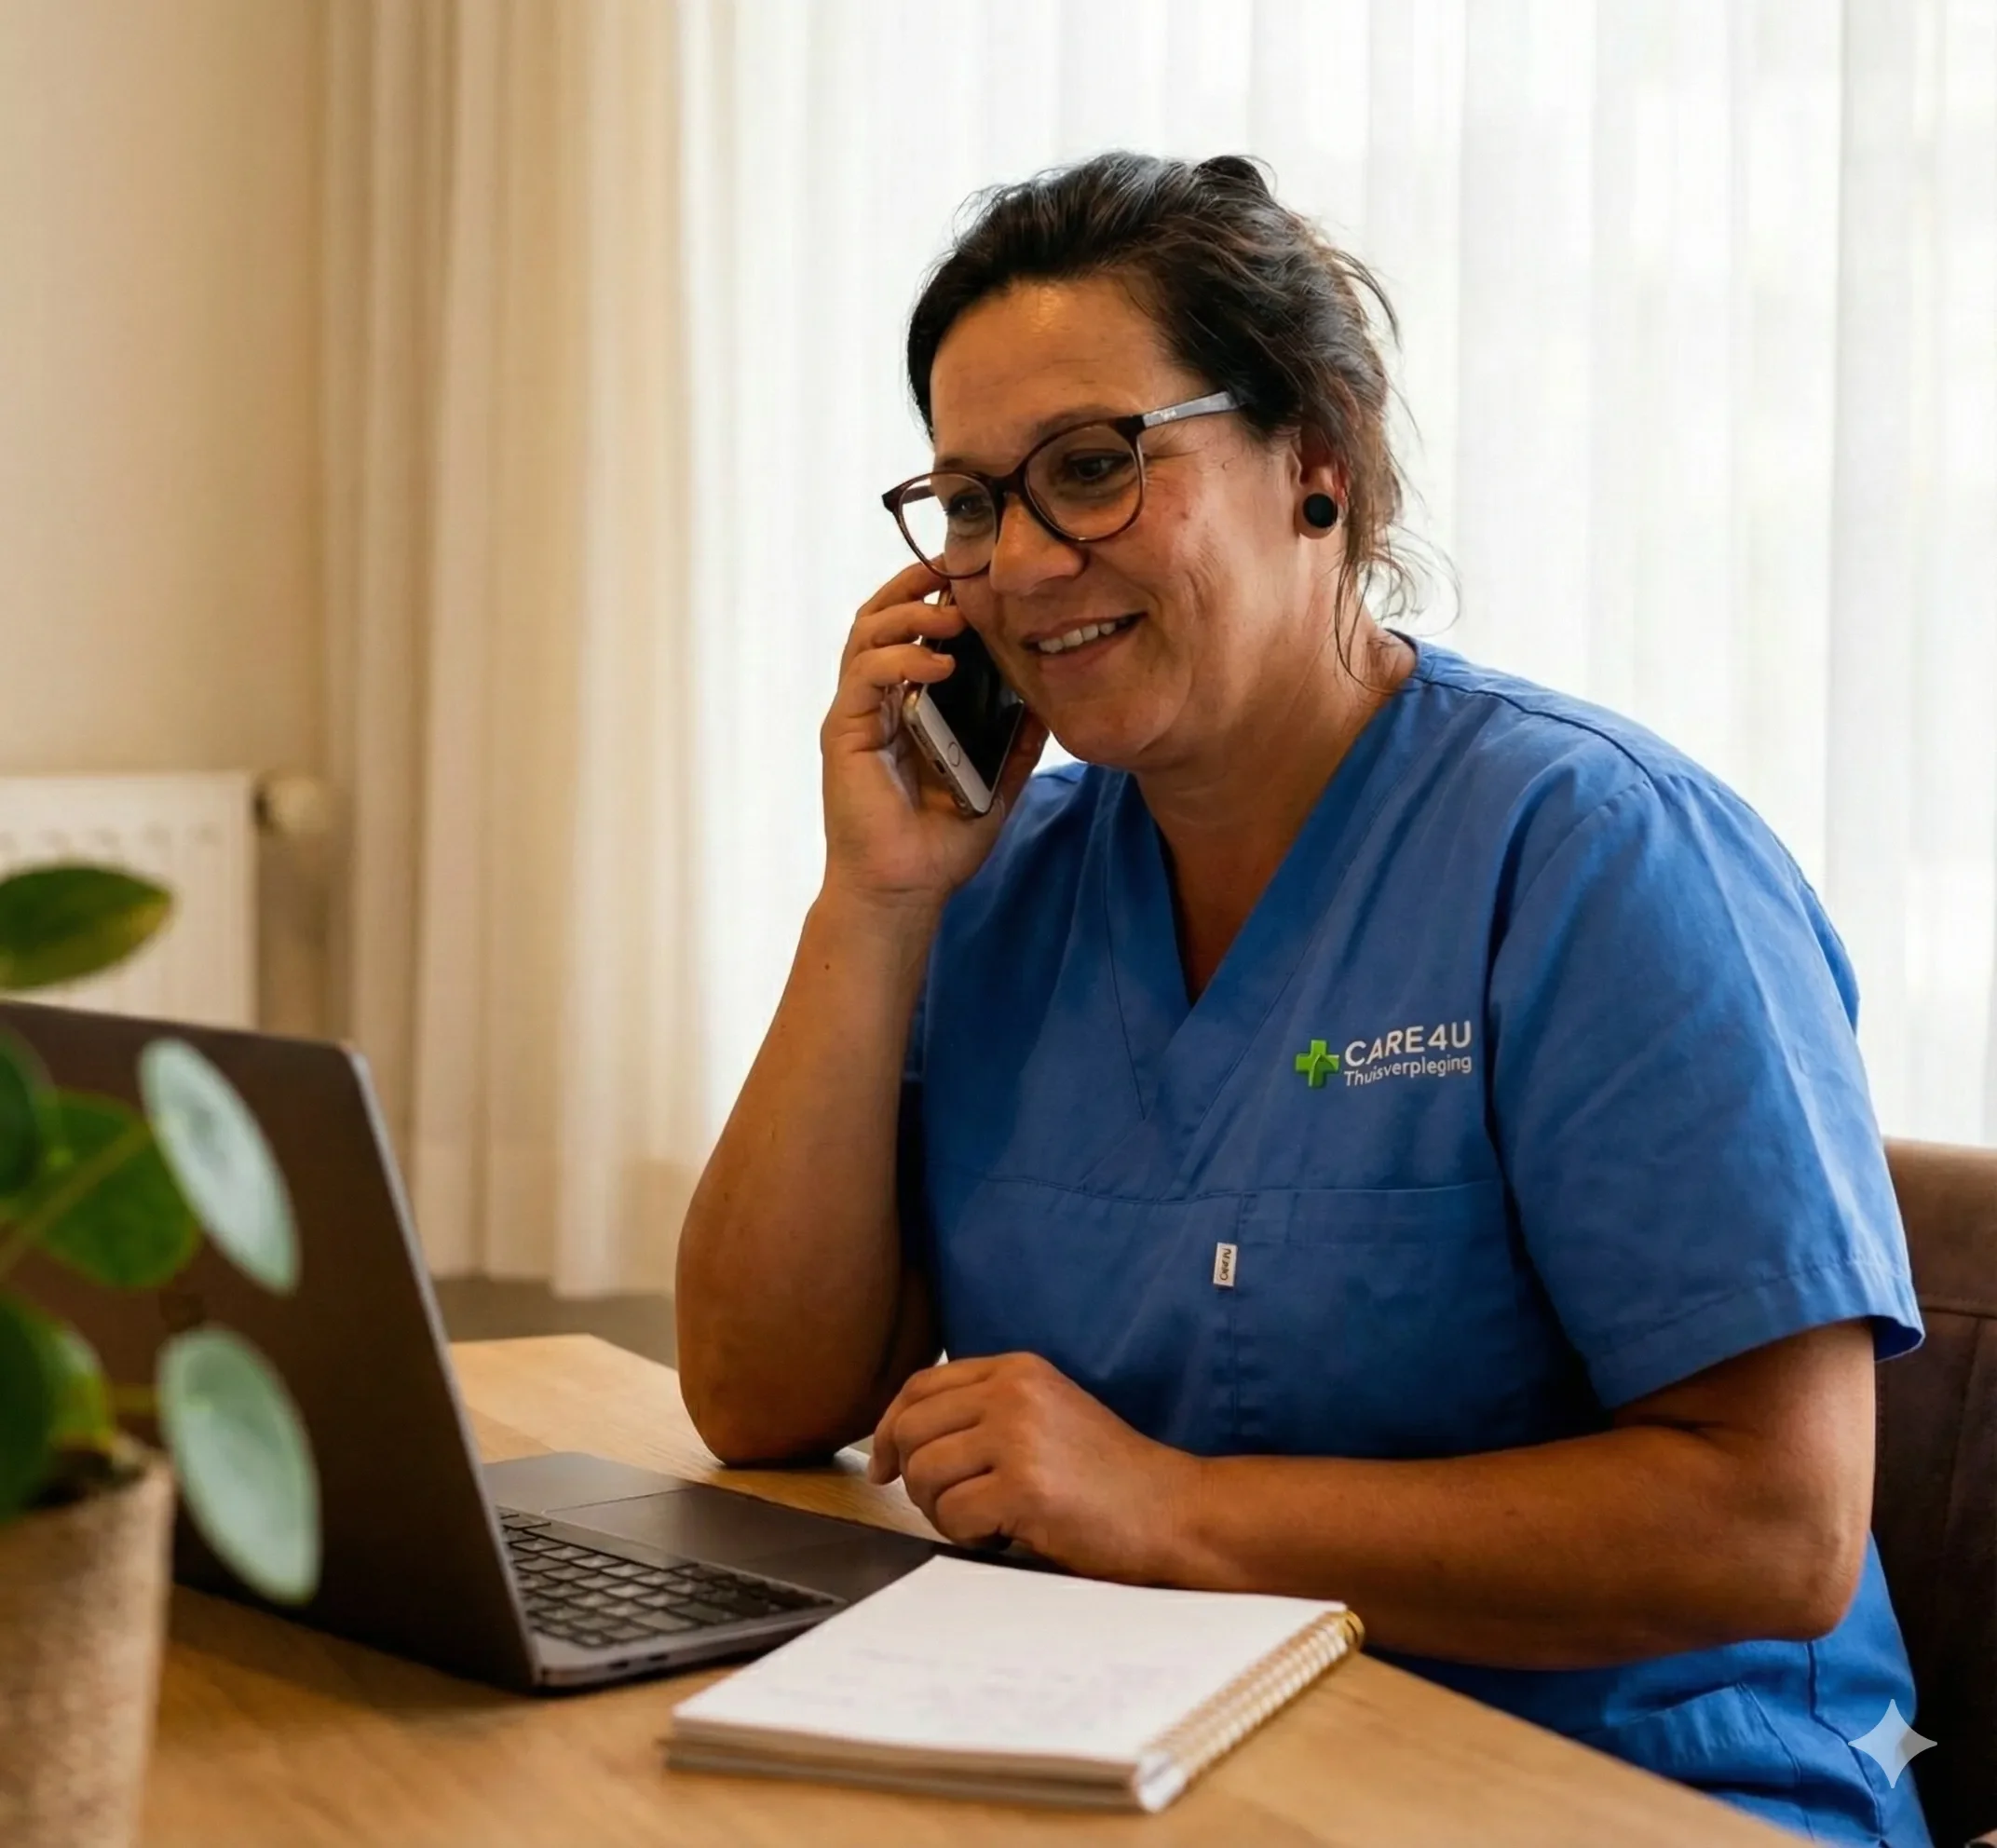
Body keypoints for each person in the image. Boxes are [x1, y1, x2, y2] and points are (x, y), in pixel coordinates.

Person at [675, 151, 1930, 1845]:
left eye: (1095, 468)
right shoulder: (998, 880)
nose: (1024, 564)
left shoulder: (1598, 855)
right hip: (1152, 1766)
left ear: (1317, 467)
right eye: (970, 503)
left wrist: (1177, 1510)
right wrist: (873, 899)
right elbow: (763, 1400)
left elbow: (1776, 1528)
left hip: (1627, 1793)